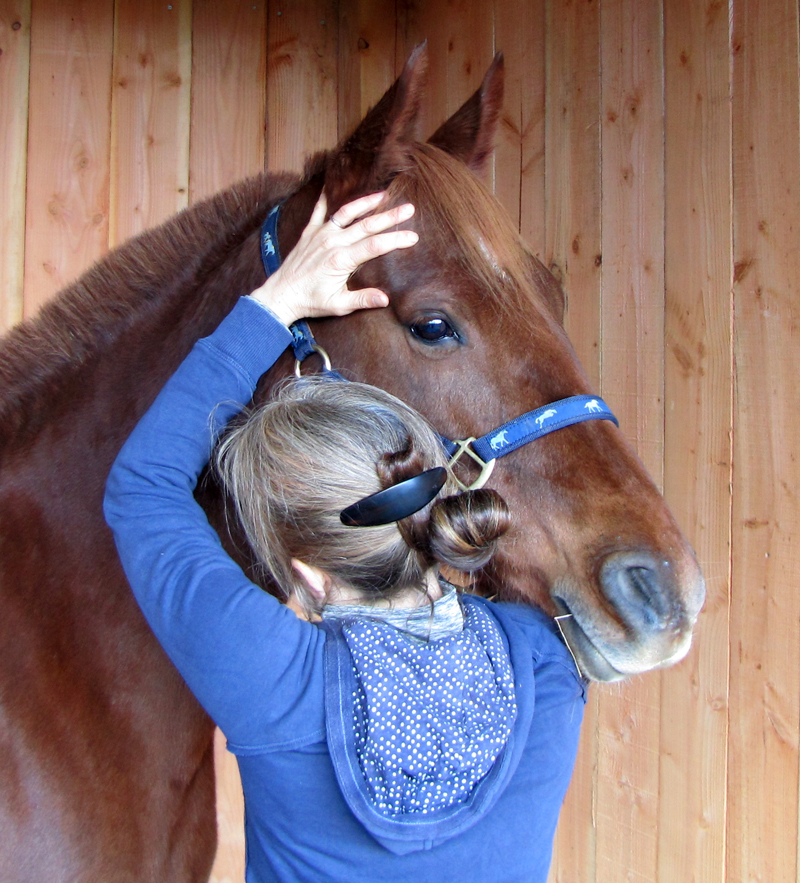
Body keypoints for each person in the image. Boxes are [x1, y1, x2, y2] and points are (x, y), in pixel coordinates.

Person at [103, 191, 586, 883]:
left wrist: (275, 301)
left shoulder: (277, 680)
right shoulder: (547, 665)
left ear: (310, 577)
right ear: (429, 489)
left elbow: (142, 488)